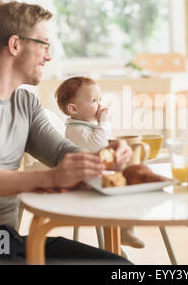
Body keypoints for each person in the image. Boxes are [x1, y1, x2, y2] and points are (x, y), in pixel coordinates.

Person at [0, 0, 133, 265]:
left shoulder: (25, 103)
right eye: (43, 45)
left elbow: (61, 152)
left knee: (117, 266)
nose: (49, 56)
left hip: (7, 242)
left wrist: (103, 157)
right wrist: (50, 179)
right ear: (15, 45)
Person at [55, 76, 145, 251]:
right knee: (120, 189)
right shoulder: (75, 130)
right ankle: (120, 239)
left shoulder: (87, 126)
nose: (100, 105)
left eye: (100, 99)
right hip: (85, 182)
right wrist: (104, 122)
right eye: (94, 101)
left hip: (97, 175)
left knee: (126, 183)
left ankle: (122, 235)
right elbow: (99, 144)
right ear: (73, 109)